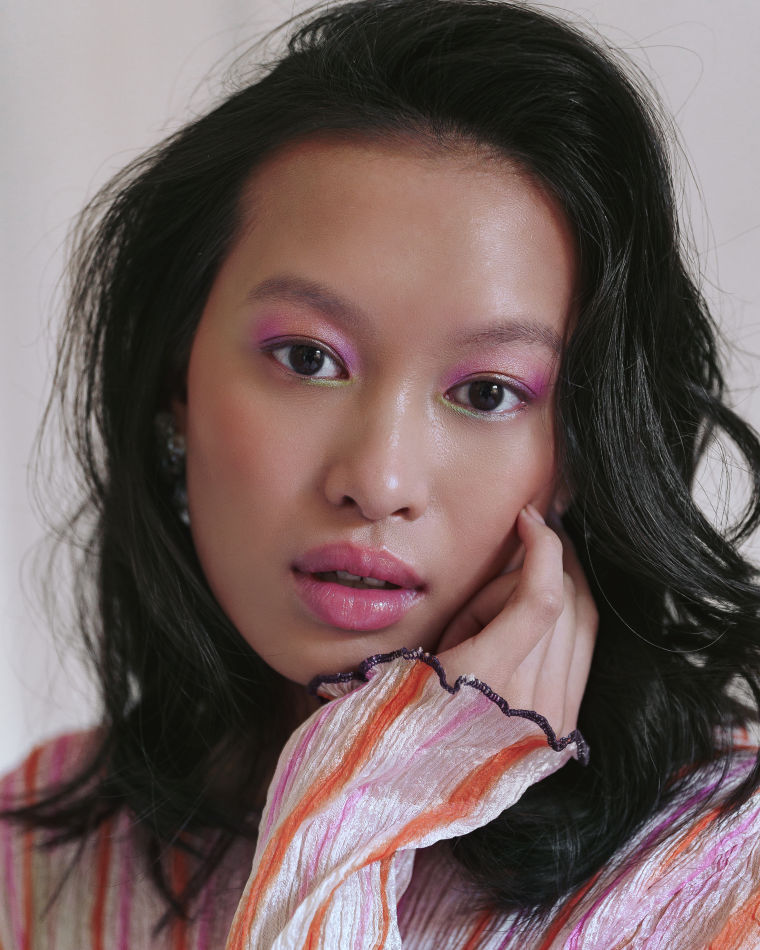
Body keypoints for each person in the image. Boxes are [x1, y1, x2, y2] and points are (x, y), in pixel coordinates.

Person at [2, 0, 760, 946]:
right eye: (307, 359)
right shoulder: (30, 866)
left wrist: (359, 818)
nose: (379, 479)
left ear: (581, 453)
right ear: (175, 384)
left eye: (487, 392)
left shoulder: (729, 876)